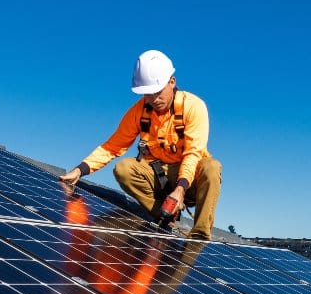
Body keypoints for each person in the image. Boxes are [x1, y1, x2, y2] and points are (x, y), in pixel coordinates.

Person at [59, 50, 222, 240]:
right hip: (158, 176)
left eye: (158, 92)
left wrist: (180, 189)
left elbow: (193, 153)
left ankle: (199, 237)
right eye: (148, 94)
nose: (153, 99)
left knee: (212, 167)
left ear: (172, 82)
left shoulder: (193, 106)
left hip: (190, 180)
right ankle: (163, 217)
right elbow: (113, 146)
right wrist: (80, 170)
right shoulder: (140, 111)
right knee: (124, 169)